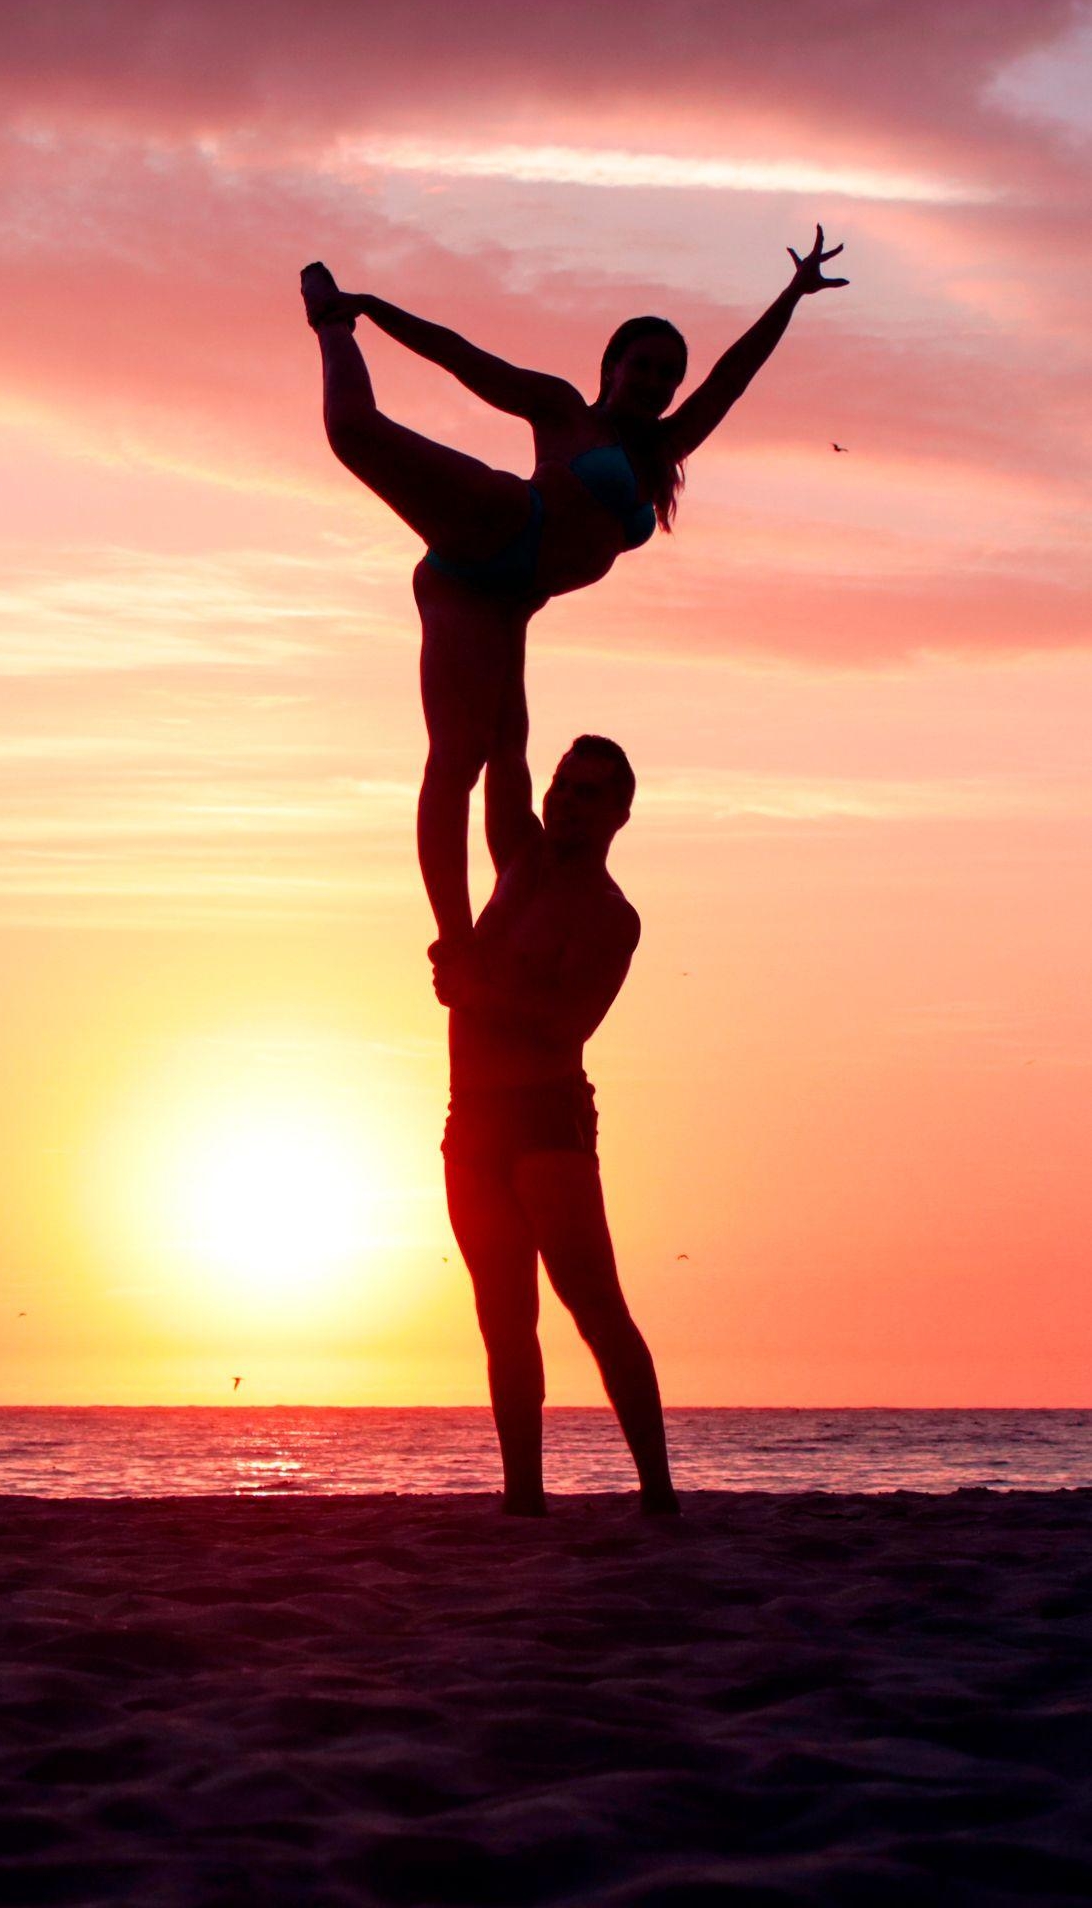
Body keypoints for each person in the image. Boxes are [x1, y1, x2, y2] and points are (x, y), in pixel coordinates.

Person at [301, 233, 846, 953]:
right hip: (492, 529)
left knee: (503, 757)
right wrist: (369, 308)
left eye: (667, 375)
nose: (654, 382)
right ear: (612, 369)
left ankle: (488, 935)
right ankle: (329, 321)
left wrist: (791, 297)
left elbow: (733, 379)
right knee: (354, 431)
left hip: (505, 602)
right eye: (642, 366)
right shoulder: (564, 411)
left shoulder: (663, 451)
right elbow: (462, 357)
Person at [431, 729, 675, 1517]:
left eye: (589, 792)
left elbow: (569, 1022)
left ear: (620, 815)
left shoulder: (609, 914)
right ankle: (523, 1499)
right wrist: (509, 630)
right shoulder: (521, 861)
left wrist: (473, 991)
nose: (567, 801)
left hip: (545, 1120)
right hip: (470, 1119)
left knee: (594, 1305)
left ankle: (659, 1494)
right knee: (503, 1318)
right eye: (564, 785)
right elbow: (503, 753)